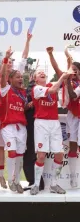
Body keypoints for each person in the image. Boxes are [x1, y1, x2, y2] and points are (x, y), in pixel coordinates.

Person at [30, 69, 72, 195]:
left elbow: (61, 78)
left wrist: (66, 69)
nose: (42, 73)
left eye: (43, 72)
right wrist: (61, 78)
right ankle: (36, 185)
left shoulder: (52, 84)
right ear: (35, 79)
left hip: (54, 123)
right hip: (41, 123)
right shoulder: (36, 89)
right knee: (41, 155)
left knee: (59, 154)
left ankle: (54, 184)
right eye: (39, 73)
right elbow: (53, 90)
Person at [47, 46, 80, 188]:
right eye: (71, 69)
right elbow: (56, 69)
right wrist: (51, 54)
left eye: (75, 70)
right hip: (73, 116)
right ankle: (73, 178)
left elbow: (73, 95)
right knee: (72, 146)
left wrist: (68, 81)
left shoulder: (74, 83)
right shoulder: (67, 79)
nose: (72, 71)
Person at [0, 47, 28, 194]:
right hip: (8, 126)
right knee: (11, 152)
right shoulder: (5, 89)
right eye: (17, 77)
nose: (20, 79)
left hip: (21, 126)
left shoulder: (23, 92)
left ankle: (17, 181)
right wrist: (6, 58)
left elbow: (25, 107)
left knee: (20, 155)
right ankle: (10, 180)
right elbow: (3, 74)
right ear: (10, 79)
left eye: (21, 77)